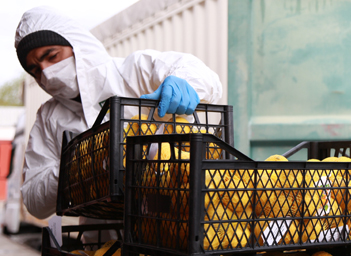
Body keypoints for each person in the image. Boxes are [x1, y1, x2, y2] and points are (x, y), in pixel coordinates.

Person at [15, 7, 222, 229]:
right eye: (35, 69)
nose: (46, 72)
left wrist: (183, 81)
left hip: (173, 224)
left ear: (77, 45)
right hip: (103, 244)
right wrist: (79, 166)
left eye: (52, 56)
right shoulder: (48, 117)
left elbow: (201, 75)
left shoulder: (132, 71)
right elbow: (35, 202)